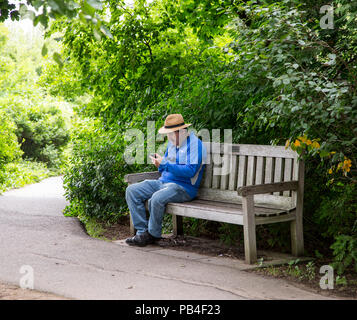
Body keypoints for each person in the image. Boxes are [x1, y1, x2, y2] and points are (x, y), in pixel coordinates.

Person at [125, 113, 207, 247]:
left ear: (181, 132)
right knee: (132, 190)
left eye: (170, 134)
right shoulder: (172, 144)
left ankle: (153, 235)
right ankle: (142, 232)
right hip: (163, 183)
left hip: (183, 188)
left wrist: (165, 164)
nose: (168, 137)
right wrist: (160, 163)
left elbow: (190, 171)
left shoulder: (195, 145)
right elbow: (166, 166)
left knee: (156, 198)